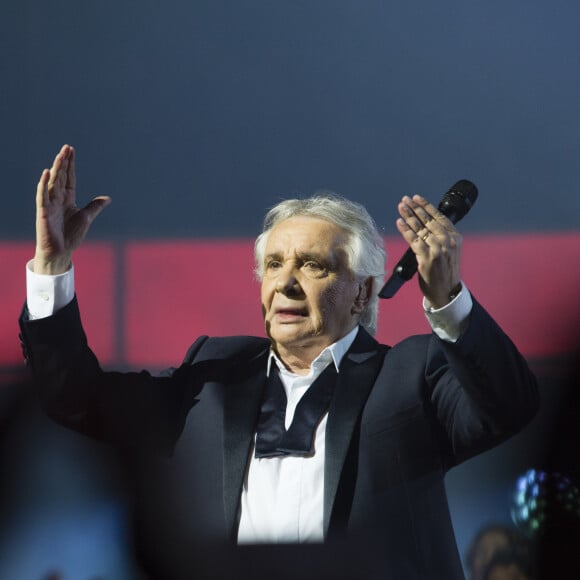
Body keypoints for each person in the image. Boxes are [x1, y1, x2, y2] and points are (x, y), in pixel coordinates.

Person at [19, 144, 539, 579]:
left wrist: (449, 299)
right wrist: (51, 266)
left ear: (362, 294)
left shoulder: (412, 374)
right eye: (273, 264)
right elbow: (76, 398)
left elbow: (509, 406)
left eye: (311, 265)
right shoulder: (212, 375)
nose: (285, 283)